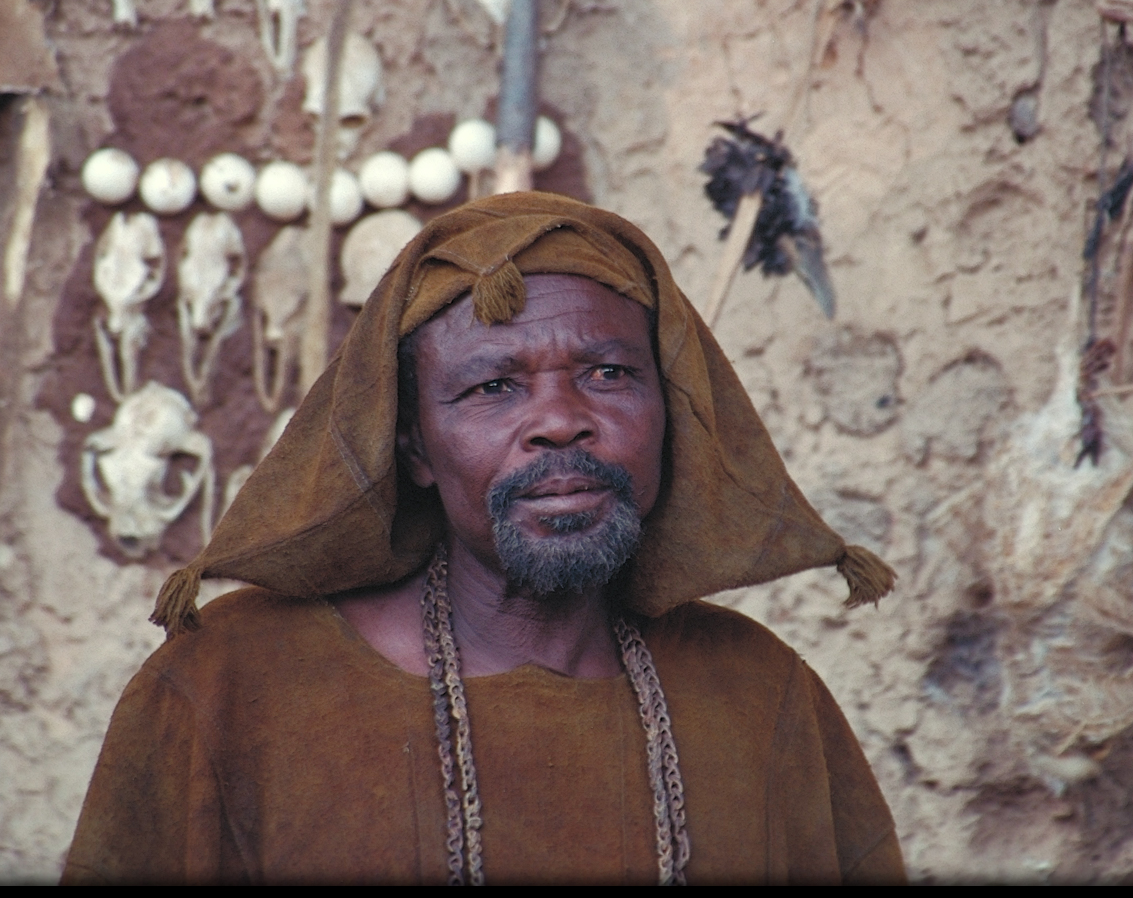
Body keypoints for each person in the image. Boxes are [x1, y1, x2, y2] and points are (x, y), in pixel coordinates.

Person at [61, 192, 905, 884]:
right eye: (493, 386)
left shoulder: (759, 698)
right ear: (414, 447)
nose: (561, 423)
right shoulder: (228, 690)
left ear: (670, 415)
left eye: (609, 375)